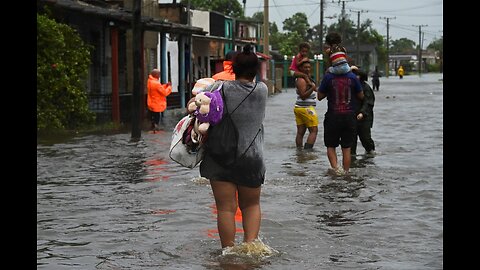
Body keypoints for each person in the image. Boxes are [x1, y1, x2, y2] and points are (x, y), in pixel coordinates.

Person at [200, 44, 268, 248]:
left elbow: (199, 98)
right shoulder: (262, 91)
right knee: (251, 205)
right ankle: (250, 247)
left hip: (220, 156)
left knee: (225, 208)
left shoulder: (219, 87)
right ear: (256, 70)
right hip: (252, 158)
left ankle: (228, 252)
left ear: (232, 68)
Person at [317, 64, 364, 176]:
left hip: (333, 116)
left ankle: (337, 170)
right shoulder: (352, 77)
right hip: (349, 116)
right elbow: (361, 96)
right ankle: (346, 172)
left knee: (331, 145)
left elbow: (319, 96)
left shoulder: (328, 77)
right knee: (347, 147)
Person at [294, 57, 318, 150]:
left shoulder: (307, 78)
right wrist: (312, 88)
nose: (307, 69)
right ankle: (308, 151)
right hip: (306, 108)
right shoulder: (301, 80)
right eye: (305, 67)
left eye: (309, 67)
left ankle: (299, 152)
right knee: (314, 131)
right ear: (300, 69)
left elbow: (316, 89)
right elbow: (303, 95)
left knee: (300, 132)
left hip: (300, 108)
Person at [351, 67, 376, 157]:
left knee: (365, 138)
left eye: (356, 75)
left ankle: (370, 151)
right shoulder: (349, 87)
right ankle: (352, 158)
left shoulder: (366, 87)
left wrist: (362, 113)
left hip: (365, 117)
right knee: (351, 140)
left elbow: (368, 103)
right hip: (351, 116)